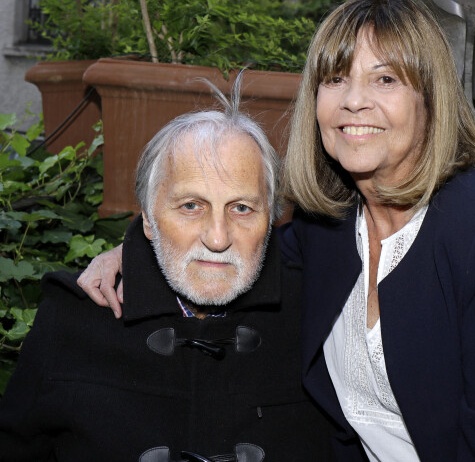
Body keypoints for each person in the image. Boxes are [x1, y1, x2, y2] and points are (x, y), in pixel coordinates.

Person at [78, 0, 475, 461]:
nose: (353, 101)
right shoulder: (328, 228)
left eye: (385, 79)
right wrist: (130, 254)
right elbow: (230, 247)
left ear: (430, 99)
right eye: (335, 79)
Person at [0, 81, 338, 461]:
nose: (217, 237)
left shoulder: (317, 321)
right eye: (191, 206)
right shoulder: (71, 320)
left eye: (241, 208)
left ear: (271, 219)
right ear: (148, 217)